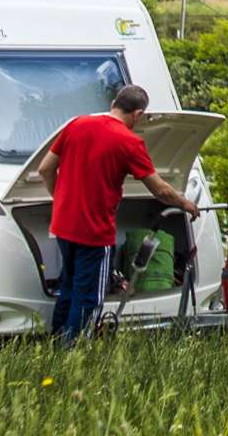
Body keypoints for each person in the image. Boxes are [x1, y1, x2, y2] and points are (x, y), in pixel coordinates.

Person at [34, 84, 199, 343]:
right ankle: (73, 350)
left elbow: (45, 169)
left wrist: (62, 200)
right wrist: (186, 204)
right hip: (95, 232)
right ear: (138, 114)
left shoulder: (76, 124)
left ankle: (57, 342)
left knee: (68, 285)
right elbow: (159, 189)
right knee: (89, 295)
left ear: (114, 103)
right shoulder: (129, 141)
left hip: (63, 225)